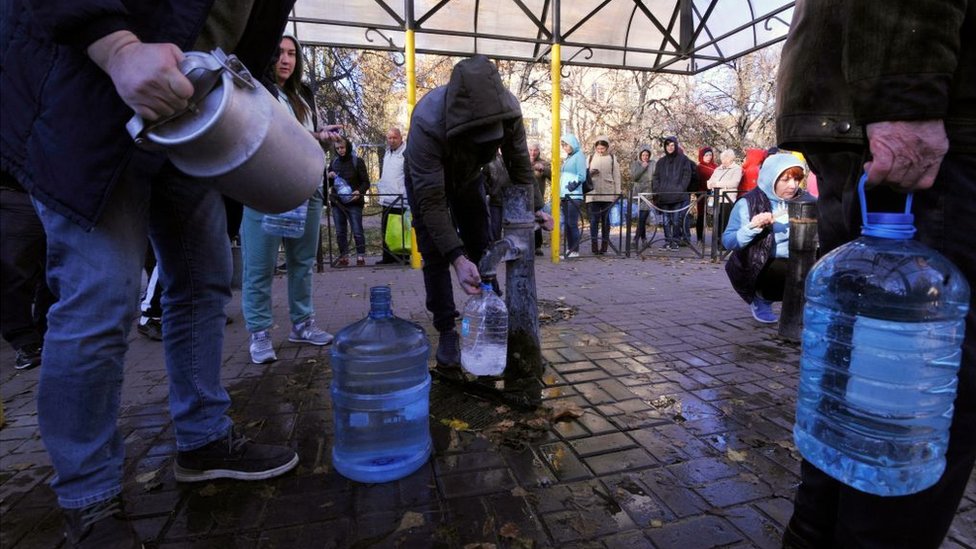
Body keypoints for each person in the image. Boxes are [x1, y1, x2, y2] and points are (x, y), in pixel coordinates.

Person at [0, 2, 341, 545]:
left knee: (205, 277)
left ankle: (204, 437)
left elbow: (248, 48)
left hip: (193, 119)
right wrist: (117, 47)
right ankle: (89, 496)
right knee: (101, 294)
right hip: (90, 103)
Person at [776, 1, 975, 547]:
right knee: (900, 420)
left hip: (874, 109)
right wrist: (904, 98)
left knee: (845, 417)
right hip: (929, 126)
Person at [403, 55, 553, 372]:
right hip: (427, 182)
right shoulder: (427, 124)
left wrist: (537, 206)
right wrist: (457, 258)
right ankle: (446, 329)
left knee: (480, 240)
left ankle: (491, 309)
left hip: (470, 178)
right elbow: (431, 201)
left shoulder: (508, 110)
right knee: (433, 251)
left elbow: (520, 166)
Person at [241, 35, 334, 365]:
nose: (286, 59)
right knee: (260, 265)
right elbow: (268, 136)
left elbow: (309, 142)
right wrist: (315, 137)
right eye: (279, 52)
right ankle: (260, 332)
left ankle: (302, 324)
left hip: (308, 189)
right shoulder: (256, 89)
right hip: (265, 189)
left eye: (292, 54)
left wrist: (326, 138)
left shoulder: (303, 94)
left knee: (303, 263)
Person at [721, 154, 807, 323]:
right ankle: (762, 298)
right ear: (771, 178)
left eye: (797, 179)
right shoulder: (748, 203)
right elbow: (728, 241)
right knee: (784, 269)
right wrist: (752, 227)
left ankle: (802, 305)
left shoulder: (804, 200)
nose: (793, 185)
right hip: (761, 263)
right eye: (785, 179)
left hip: (797, 258)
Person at [0, 171, 55, 370]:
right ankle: (25, 340)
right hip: (16, 190)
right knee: (14, 268)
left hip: (55, 190)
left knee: (58, 267)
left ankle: (48, 331)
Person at [327, 136, 370, 267]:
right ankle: (343, 257)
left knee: (357, 230)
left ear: (348, 147)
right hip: (337, 203)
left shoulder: (358, 161)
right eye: (338, 148)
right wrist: (329, 177)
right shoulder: (333, 163)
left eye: (343, 147)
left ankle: (361, 256)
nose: (341, 150)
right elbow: (329, 184)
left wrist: (359, 191)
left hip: (354, 202)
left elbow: (365, 182)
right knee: (340, 232)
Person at [651, 137, 694, 250]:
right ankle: (667, 241)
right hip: (664, 195)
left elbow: (687, 175)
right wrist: (657, 190)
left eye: (672, 145)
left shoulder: (683, 159)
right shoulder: (661, 161)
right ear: (665, 147)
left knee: (676, 220)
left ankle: (675, 241)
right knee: (665, 221)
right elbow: (656, 177)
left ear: (675, 146)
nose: (670, 147)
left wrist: (681, 188)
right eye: (668, 145)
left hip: (678, 195)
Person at [375, 127, 408, 264]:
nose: (392, 140)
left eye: (395, 137)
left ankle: (402, 257)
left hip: (400, 198)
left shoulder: (406, 153)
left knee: (399, 230)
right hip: (386, 198)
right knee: (386, 230)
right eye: (389, 138)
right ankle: (387, 257)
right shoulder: (387, 153)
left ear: (401, 138)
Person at [585, 136, 622, 255]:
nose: (600, 150)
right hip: (593, 193)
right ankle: (594, 245)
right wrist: (590, 173)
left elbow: (617, 176)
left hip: (607, 192)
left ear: (607, 147)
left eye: (603, 148)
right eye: (598, 148)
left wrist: (617, 192)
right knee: (594, 220)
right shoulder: (590, 158)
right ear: (595, 147)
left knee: (606, 221)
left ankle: (605, 246)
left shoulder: (612, 158)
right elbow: (584, 175)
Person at [559, 135, 588, 258]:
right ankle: (570, 249)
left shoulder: (579, 156)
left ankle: (575, 250)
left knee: (572, 223)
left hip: (574, 195)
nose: (565, 148)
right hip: (565, 195)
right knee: (567, 223)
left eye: (566, 145)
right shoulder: (569, 158)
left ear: (572, 143)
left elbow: (582, 175)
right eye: (563, 145)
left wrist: (573, 185)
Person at [707, 149, 743, 237]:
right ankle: (716, 241)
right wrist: (711, 184)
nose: (724, 160)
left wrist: (718, 184)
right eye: (723, 158)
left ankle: (724, 242)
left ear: (731, 159)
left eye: (726, 158)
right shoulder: (718, 169)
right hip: (716, 198)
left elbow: (734, 183)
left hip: (728, 199)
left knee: (725, 222)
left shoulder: (737, 169)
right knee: (716, 222)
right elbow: (710, 182)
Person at [630, 145, 656, 247]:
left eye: (647, 155)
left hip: (648, 193)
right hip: (638, 193)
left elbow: (655, 176)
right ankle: (644, 239)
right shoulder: (636, 164)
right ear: (640, 155)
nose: (645, 157)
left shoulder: (653, 164)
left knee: (643, 216)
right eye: (643, 155)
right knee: (642, 217)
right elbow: (634, 177)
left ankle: (635, 239)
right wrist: (642, 167)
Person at [529, 142, 552, 256]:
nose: (533, 153)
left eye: (535, 150)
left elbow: (552, 175)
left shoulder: (543, 163)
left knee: (537, 221)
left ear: (539, 151)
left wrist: (543, 169)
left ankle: (537, 246)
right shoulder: (523, 161)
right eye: (531, 150)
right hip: (524, 197)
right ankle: (526, 245)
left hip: (537, 198)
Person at [694, 147, 717, 243]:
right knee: (701, 216)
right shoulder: (698, 167)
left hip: (713, 194)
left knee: (714, 215)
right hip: (702, 194)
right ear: (702, 156)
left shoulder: (716, 167)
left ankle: (716, 239)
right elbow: (696, 181)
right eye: (706, 155)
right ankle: (700, 238)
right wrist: (699, 192)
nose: (708, 157)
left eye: (710, 155)